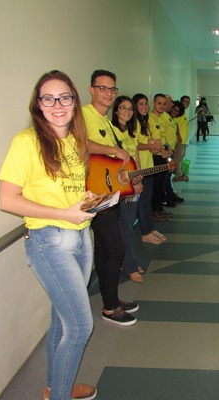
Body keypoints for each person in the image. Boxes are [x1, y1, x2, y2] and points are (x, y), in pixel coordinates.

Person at [0, 70, 97, 400]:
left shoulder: (74, 142)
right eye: (48, 98)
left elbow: (63, 190)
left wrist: (85, 201)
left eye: (64, 97)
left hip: (81, 237)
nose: (57, 105)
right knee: (81, 326)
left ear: (74, 102)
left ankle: (56, 388)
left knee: (61, 319)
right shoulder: (26, 142)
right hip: (49, 239)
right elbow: (7, 199)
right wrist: (64, 214)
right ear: (38, 105)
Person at [83, 69, 139, 326]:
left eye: (112, 89)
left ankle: (111, 300)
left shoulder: (105, 121)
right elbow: (81, 144)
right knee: (115, 248)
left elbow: (109, 162)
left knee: (106, 249)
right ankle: (110, 305)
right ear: (92, 89)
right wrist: (113, 149)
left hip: (109, 193)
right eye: (103, 88)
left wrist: (129, 181)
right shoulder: (83, 115)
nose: (108, 93)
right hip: (94, 195)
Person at [111, 95, 145, 283]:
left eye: (130, 109)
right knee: (125, 228)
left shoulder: (131, 132)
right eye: (123, 108)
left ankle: (128, 261)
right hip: (121, 186)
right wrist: (133, 181)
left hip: (134, 184)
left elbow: (135, 156)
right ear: (116, 110)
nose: (127, 112)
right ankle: (130, 265)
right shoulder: (112, 131)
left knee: (128, 226)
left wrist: (139, 177)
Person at [133, 93, 169, 240]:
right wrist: (150, 145)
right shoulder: (134, 122)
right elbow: (135, 145)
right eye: (140, 104)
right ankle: (145, 232)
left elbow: (146, 144)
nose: (144, 107)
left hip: (149, 164)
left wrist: (154, 146)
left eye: (145, 103)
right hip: (140, 166)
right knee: (142, 200)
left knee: (148, 198)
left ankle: (150, 228)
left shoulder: (144, 122)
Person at [173, 97, 190, 181]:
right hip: (179, 141)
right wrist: (178, 136)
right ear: (181, 101)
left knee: (180, 157)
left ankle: (178, 173)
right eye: (185, 101)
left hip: (184, 141)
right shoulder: (178, 113)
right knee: (178, 158)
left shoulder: (183, 113)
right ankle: (177, 176)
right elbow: (175, 124)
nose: (186, 104)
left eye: (188, 102)